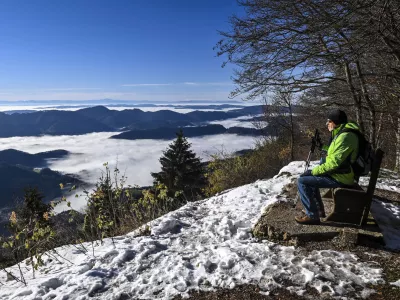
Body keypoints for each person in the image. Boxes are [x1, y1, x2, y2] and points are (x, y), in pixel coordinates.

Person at [295, 109, 360, 225]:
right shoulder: (343, 134)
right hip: (341, 173)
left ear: (335, 122)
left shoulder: (345, 137)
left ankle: (312, 216)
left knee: (302, 181)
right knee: (311, 175)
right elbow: (335, 154)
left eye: (329, 121)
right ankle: (318, 211)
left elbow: (334, 163)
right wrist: (322, 147)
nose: (327, 124)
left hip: (341, 177)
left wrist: (314, 171)